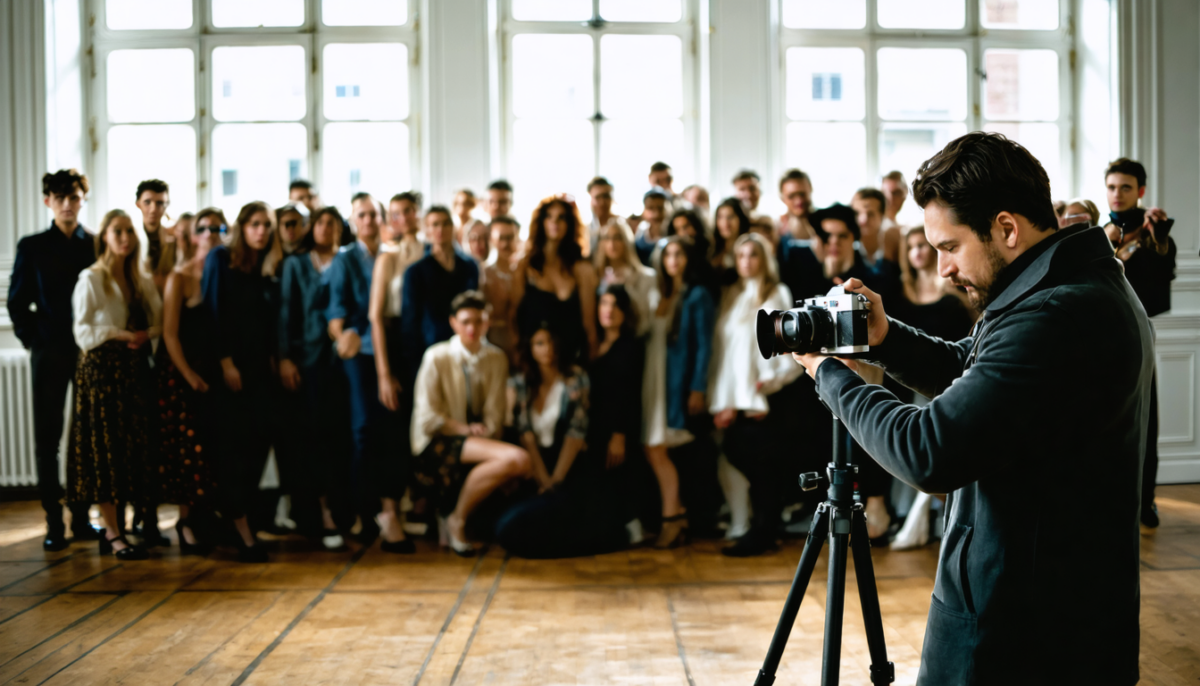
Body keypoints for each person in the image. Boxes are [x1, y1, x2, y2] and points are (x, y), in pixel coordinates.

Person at [791, 131, 1153, 685]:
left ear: (1006, 228)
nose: (942, 269)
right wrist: (886, 340)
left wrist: (828, 374)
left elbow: (927, 451)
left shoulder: (1055, 314)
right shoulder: (1062, 282)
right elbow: (975, 367)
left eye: (949, 247)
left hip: (1017, 637)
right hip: (1053, 616)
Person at [8, 169, 102, 550]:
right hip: (48, 351)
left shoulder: (96, 244)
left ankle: (81, 519)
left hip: (87, 353)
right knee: (48, 438)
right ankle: (53, 523)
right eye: (59, 197)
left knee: (85, 438)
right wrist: (35, 340)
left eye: (74, 196)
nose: (67, 203)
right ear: (48, 200)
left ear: (83, 199)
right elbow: (17, 301)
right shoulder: (31, 246)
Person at [495, 322, 635, 558]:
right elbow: (525, 435)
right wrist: (544, 481)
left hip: (570, 469)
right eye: (539, 343)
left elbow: (575, 434)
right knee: (509, 528)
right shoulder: (519, 382)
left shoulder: (575, 378)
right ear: (530, 347)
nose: (547, 349)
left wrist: (555, 481)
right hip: (535, 471)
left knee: (569, 517)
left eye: (551, 343)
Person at [69, 208, 162, 561]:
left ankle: (126, 527)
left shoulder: (141, 278)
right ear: (105, 236)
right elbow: (81, 332)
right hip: (100, 374)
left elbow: (158, 322)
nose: (125, 237)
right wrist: (121, 334)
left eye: (129, 231)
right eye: (117, 231)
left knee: (129, 451)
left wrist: (144, 336)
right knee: (104, 452)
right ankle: (112, 531)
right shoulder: (91, 278)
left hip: (133, 372)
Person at [411, 291, 529, 555]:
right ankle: (457, 519)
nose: (472, 328)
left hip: (477, 439)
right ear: (453, 323)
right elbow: (427, 418)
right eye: (465, 321)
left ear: (487, 322)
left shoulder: (496, 358)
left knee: (519, 461)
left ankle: (456, 517)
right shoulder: (436, 356)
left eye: (478, 321)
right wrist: (465, 429)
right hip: (436, 440)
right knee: (518, 460)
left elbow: (495, 415)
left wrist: (484, 432)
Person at [708, 233, 803, 556]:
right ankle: (755, 528)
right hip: (735, 398)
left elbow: (787, 353)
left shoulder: (776, 293)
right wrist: (725, 400)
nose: (746, 261)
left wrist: (765, 388)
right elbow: (727, 354)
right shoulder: (732, 295)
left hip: (764, 399)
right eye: (741, 255)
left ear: (764, 259)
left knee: (762, 464)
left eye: (753, 255)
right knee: (740, 457)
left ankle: (764, 531)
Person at [328, 192, 411, 551]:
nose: (368, 221)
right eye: (361, 215)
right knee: (363, 432)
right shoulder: (344, 260)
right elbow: (335, 313)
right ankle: (364, 511)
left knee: (394, 429)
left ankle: (391, 508)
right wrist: (342, 336)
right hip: (360, 354)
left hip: (395, 351)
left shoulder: (395, 253)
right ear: (352, 221)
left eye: (373, 214)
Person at [887, 224, 976, 551]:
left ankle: (941, 516)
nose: (918, 252)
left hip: (948, 383)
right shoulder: (899, 296)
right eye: (910, 247)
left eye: (923, 245)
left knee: (940, 449)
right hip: (908, 385)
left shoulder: (955, 294)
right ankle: (910, 514)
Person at [203, 201, 283, 563]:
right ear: (242, 226)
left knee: (259, 443)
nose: (261, 230)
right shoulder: (221, 258)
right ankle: (241, 530)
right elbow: (213, 310)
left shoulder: (265, 266)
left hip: (259, 371)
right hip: (229, 369)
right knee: (233, 451)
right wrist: (224, 361)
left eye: (267, 224)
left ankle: (239, 519)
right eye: (255, 224)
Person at [1102, 157, 1176, 528]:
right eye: (1112, 187)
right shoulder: (1098, 232)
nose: (1117, 194)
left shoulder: (1156, 232)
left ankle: (1145, 501)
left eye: (1126, 187)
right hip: (1098, 340)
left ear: (1140, 191)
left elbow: (1163, 281)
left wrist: (1157, 239)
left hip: (1137, 336)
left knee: (1145, 421)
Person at [279, 206, 354, 551]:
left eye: (332, 222)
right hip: (306, 362)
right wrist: (285, 358)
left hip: (343, 363)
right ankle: (318, 513)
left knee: (341, 438)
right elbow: (286, 313)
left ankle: (345, 511)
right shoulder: (296, 263)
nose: (326, 228)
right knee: (311, 438)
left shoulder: (347, 259)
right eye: (321, 222)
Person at [157, 207, 226, 555]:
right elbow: (169, 335)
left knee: (215, 450)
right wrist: (190, 377)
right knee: (189, 453)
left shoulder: (225, 271)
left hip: (218, 374)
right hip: (186, 374)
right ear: (193, 233)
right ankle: (185, 523)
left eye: (218, 227)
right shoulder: (179, 277)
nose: (211, 233)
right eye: (205, 228)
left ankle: (210, 520)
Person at [642, 236, 714, 548]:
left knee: (656, 447)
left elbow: (704, 345)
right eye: (667, 254)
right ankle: (676, 514)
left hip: (676, 379)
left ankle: (672, 516)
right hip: (653, 376)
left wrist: (698, 387)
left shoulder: (697, 295)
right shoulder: (658, 293)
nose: (673, 260)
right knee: (655, 447)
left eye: (678, 254)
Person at [511, 196, 599, 364]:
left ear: (570, 223)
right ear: (541, 222)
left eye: (561, 217)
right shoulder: (525, 266)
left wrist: (592, 360)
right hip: (534, 361)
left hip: (571, 356)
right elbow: (513, 315)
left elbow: (589, 325)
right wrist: (517, 352)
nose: (554, 222)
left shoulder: (581, 269)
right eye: (549, 216)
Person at [400, 205, 482, 382]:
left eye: (445, 224)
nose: (440, 229)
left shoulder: (470, 267)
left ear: (453, 227)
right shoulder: (416, 272)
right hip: (430, 349)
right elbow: (410, 321)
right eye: (434, 224)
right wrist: (414, 362)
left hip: (466, 348)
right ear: (426, 229)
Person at [593, 219, 658, 336]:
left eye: (617, 238)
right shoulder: (596, 277)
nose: (612, 243)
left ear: (626, 241)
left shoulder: (647, 277)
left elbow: (648, 319)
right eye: (607, 238)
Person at [482, 216, 520, 361]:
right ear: (492, 239)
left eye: (510, 238)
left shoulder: (524, 272)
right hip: (493, 344)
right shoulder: (484, 274)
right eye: (501, 238)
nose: (505, 244)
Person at [853, 187, 902, 268]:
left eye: (871, 214)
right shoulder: (846, 245)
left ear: (882, 215)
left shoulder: (895, 242)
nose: (863, 220)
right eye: (858, 213)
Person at [134, 179, 170, 283]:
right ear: (138, 204)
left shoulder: (174, 238)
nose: (153, 209)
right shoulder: (131, 238)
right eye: (147, 202)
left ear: (167, 205)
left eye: (160, 203)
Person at [711, 197, 751, 288]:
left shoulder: (750, 247)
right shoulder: (712, 248)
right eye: (720, 217)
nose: (725, 223)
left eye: (731, 217)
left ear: (741, 219)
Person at [587, 176, 631, 256]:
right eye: (597, 197)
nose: (602, 202)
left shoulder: (623, 226)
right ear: (591, 199)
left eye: (606, 196)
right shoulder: (586, 230)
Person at [152, 212, 193, 292]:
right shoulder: (167, 251)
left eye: (189, 233)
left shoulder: (197, 256)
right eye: (181, 232)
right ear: (175, 230)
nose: (184, 237)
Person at [732, 169, 776, 240]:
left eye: (752, 188)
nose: (748, 195)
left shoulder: (767, 223)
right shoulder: (726, 222)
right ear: (734, 194)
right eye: (742, 189)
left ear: (760, 192)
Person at [633, 188, 670, 267]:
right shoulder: (641, 230)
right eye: (650, 208)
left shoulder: (671, 230)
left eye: (660, 208)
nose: (656, 214)